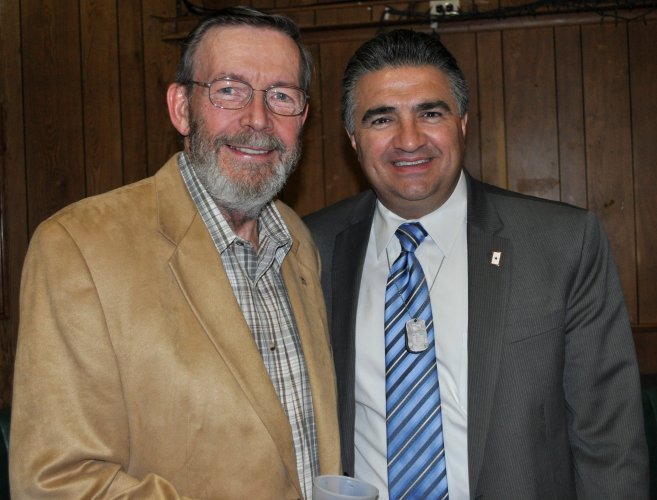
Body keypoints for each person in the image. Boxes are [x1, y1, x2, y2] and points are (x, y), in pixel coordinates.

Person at [10, 7, 340, 498]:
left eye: (281, 96)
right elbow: (55, 483)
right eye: (229, 89)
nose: (258, 118)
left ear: (303, 118)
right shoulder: (78, 247)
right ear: (182, 107)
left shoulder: (297, 241)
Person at [304, 29, 648, 499]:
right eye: (382, 119)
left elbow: (610, 442)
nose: (409, 140)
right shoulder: (309, 248)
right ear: (353, 138)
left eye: (430, 113)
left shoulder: (563, 243)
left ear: (462, 123)